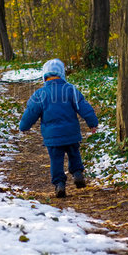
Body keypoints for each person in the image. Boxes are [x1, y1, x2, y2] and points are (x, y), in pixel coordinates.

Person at [19, 58, 98, 198]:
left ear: (44, 76)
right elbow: (84, 107)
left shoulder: (40, 94)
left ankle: (59, 184)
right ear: (62, 74)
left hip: (52, 137)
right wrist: (92, 123)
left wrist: (24, 126)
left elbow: (31, 112)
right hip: (71, 133)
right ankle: (78, 174)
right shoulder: (71, 90)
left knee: (56, 159)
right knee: (74, 153)